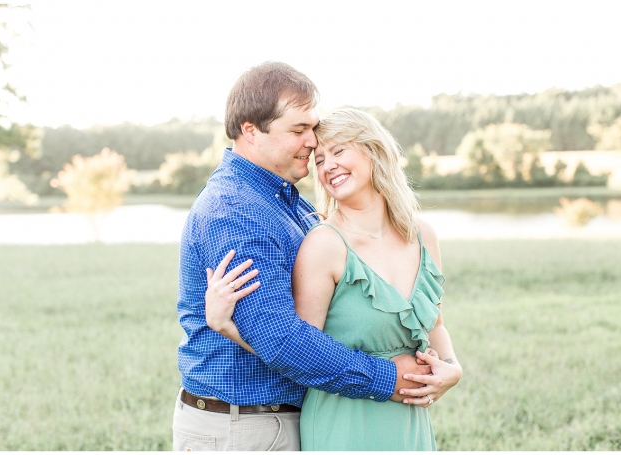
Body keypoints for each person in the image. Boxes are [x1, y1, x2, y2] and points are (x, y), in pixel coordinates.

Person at [173, 62, 438, 452]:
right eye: (299, 130)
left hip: (286, 418)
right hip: (242, 426)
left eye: (313, 128)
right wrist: (389, 378)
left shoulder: (289, 204)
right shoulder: (235, 209)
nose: (313, 142)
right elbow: (282, 339)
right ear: (250, 130)